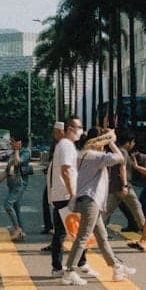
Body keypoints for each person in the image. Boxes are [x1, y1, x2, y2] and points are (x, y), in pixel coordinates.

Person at [62, 128, 137, 285]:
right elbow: (120, 158)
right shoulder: (96, 157)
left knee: (102, 237)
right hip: (91, 200)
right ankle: (69, 272)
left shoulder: (82, 154)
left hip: (85, 199)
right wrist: (111, 141)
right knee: (83, 237)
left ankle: (116, 266)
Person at [47, 118, 88, 276]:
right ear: (70, 128)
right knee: (75, 231)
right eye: (79, 127)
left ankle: (68, 265)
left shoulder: (65, 145)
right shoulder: (66, 145)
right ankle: (75, 264)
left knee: (67, 231)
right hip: (65, 195)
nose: (81, 130)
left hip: (62, 194)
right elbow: (66, 170)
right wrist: (73, 194)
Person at [105, 130, 146, 233]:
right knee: (136, 206)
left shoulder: (117, 151)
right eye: (133, 142)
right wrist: (125, 185)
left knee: (107, 211)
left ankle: (95, 229)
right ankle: (144, 228)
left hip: (115, 187)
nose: (134, 144)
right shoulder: (123, 152)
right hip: (123, 185)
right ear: (128, 142)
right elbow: (122, 169)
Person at [0, 135, 28, 241]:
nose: (10, 143)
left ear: (19, 142)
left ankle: (17, 229)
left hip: (19, 183)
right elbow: (7, 169)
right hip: (12, 184)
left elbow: (18, 162)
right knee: (16, 208)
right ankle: (21, 232)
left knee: (8, 204)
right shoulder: (13, 153)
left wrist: (17, 150)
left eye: (12, 141)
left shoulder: (25, 152)